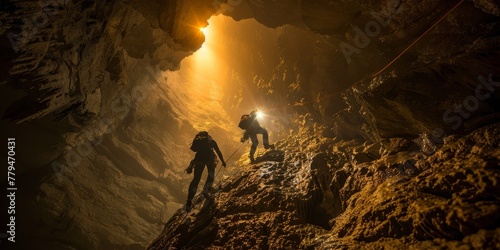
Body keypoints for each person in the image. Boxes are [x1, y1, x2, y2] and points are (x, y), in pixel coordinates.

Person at [185, 131, 226, 212]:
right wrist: (223, 161)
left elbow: (193, 149)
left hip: (199, 159)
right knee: (211, 174)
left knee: (196, 179)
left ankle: (189, 201)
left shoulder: (198, 141)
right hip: (209, 158)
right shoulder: (211, 141)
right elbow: (218, 151)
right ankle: (206, 190)